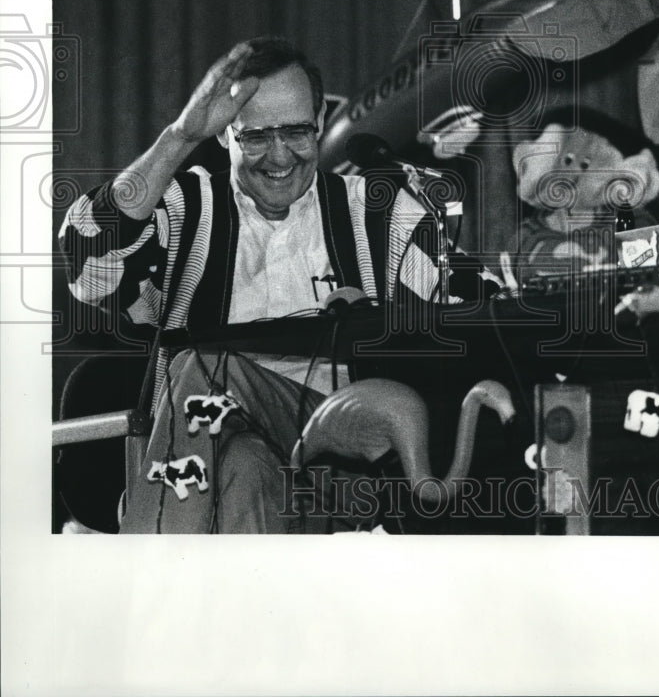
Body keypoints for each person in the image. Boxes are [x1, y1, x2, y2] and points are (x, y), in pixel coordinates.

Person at [59, 38, 489, 533]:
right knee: (242, 463)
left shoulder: (381, 211)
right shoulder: (187, 208)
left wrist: (372, 321)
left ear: (321, 123)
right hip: (224, 472)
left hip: (344, 473)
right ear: (224, 135)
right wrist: (178, 138)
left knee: (204, 368)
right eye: (256, 137)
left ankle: (148, 564)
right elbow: (89, 268)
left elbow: (467, 315)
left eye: (297, 132)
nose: (279, 156)